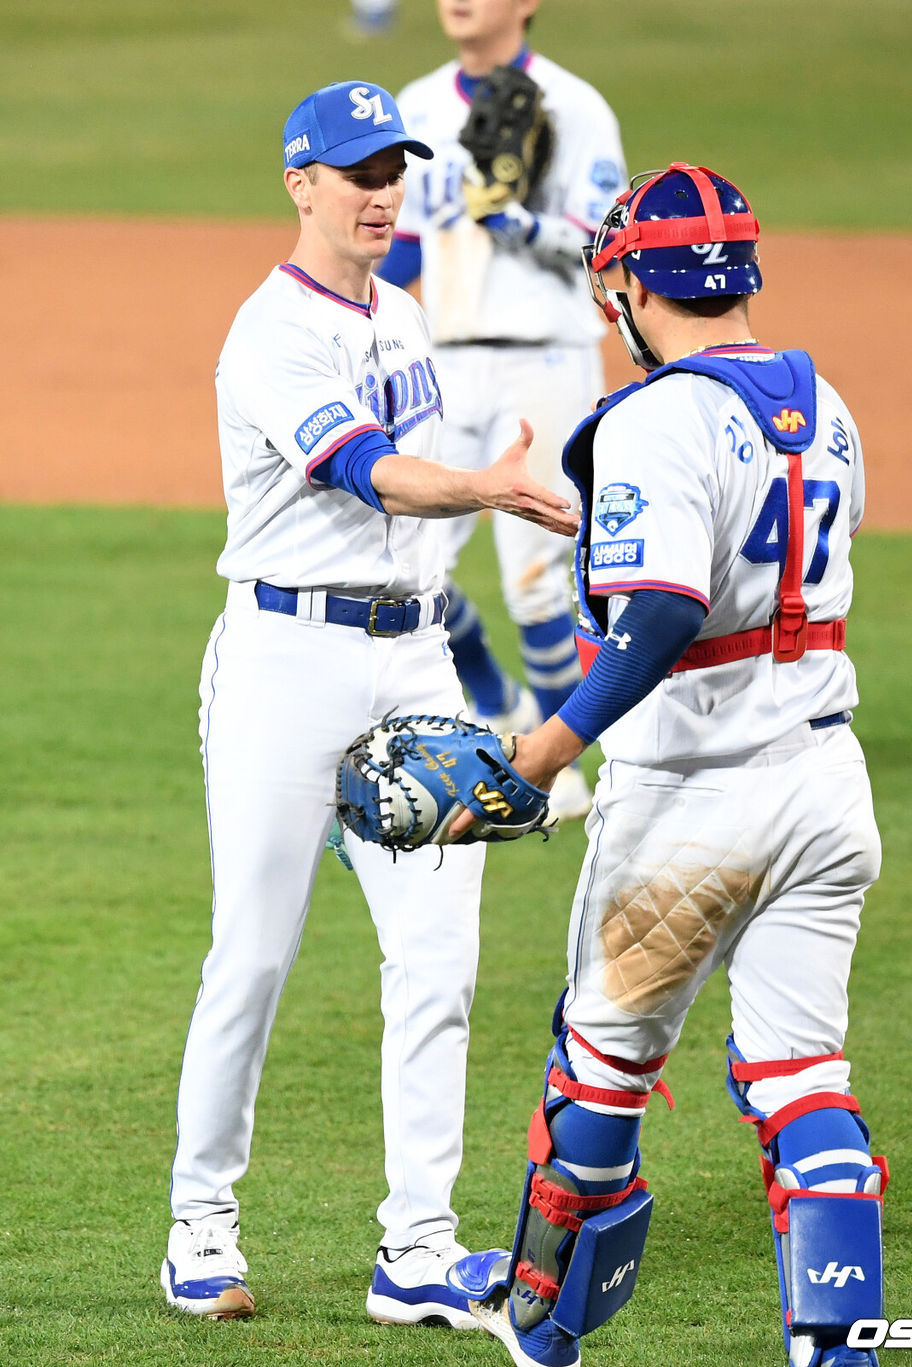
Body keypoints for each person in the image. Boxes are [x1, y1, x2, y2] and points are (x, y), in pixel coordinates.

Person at [445, 164, 888, 1367]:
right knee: (805, 1082)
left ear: (634, 283)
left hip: (692, 802)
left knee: (595, 1074)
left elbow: (656, 618)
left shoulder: (651, 416)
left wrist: (536, 755)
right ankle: (836, 1351)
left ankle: (540, 1329)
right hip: (825, 789)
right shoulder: (826, 400)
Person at [159, 79, 577, 1328]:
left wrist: (452, 614)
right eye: (356, 172)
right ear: (300, 183)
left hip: (409, 660)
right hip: (286, 663)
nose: (381, 191)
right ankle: (200, 1226)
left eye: (392, 168)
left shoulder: (402, 314)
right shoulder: (269, 332)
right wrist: (487, 489)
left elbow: (408, 537)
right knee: (256, 951)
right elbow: (369, 474)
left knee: (440, 954)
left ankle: (420, 1247)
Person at [375, 0, 627, 821]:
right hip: (443, 360)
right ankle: (502, 704)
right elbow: (403, 244)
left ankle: (569, 767)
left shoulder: (576, 105)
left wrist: (517, 223)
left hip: (544, 358)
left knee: (537, 585)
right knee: (412, 570)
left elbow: (603, 243)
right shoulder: (416, 104)